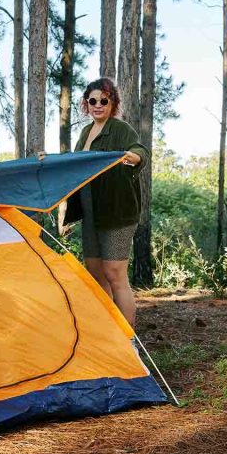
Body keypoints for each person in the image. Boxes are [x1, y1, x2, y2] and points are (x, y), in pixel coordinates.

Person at [64, 77, 149, 329]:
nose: (98, 105)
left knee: (114, 273)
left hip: (117, 213)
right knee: (95, 273)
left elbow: (140, 152)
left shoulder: (121, 130)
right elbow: (74, 166)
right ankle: (109, 336)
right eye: (93, 101)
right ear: (86, 104)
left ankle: (128, 341)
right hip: (90, 213)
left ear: (112, 103)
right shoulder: (85, 132)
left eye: (104, 100)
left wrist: (131, 158)